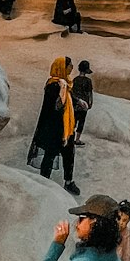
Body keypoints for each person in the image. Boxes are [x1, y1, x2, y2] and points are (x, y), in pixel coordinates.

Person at [27, 57, 81, 195]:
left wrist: (78, 101)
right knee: (50, 156)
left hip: (66, 130)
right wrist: (62, 92)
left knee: (69, 156)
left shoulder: (65, 84)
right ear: (62, 67)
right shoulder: (53, 85)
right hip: (54, 130)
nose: (71, 67)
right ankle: (44, 182)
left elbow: (69, 98)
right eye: (69, 65)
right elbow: (55, 107)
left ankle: (68, 182)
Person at [72, 60, 94, 142]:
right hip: (84, 105)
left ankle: (71, 137)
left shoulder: (75, 79)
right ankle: (77, 139)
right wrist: (90, 103)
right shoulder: (88, 81)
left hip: (76, 104)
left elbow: (73, 92)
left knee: (73, 121)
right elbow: (89, 93)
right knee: (81, 122)